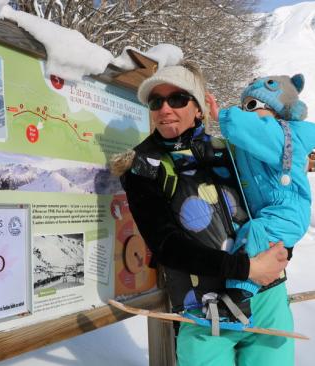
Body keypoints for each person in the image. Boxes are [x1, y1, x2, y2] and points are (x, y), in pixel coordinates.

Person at [110, 62, 292, 366]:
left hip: (266, 296)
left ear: (198, 108)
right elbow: (166, 245)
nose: (165, 108)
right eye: (157, 102)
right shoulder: (144, 166)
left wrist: (283, 252)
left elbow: (276, 205)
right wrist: (246, 269)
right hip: (204, 311)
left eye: (178, 99)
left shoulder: (229, 150)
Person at [206, 74, 315, 301]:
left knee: (253, 235)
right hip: (269, 211)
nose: (248, 112)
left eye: (253, 105)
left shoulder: (284, 133)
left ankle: (237, 296)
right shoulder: (254, 137)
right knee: (253, 239)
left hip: (287, 212)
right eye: (244, 107)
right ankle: (249, 291)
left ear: (277, 110)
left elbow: (252, 129)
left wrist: (223, 115)